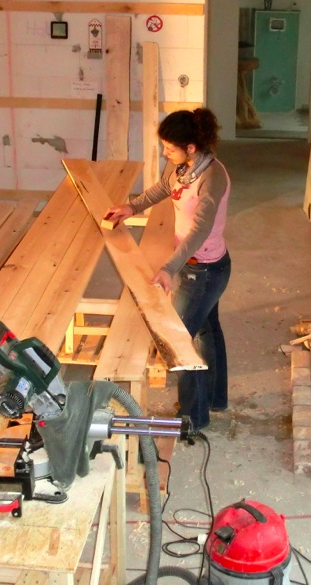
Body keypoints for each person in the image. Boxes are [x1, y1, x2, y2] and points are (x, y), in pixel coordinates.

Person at [104, 108, 231, 431]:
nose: (165, 154)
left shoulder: (212, 177)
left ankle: (193, 418)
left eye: (169, 148)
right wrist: (131, 206)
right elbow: (164, 187)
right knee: (207, 330)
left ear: (191, 147)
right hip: (196, 266)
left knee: (179, 343)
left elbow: (199, 231)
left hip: (204, 270)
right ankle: (215, 399)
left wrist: (169, 268)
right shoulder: (183, 168)